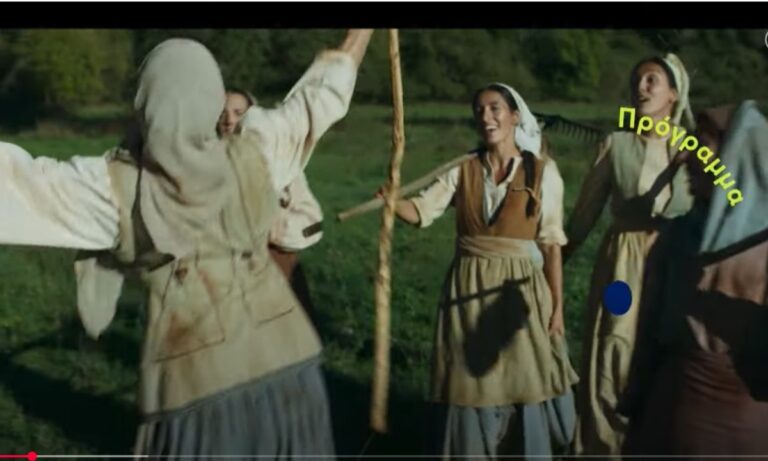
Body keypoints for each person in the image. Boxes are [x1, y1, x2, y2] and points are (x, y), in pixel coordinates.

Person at [0, 29, 372, 457]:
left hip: (198, 395)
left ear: (145, 102)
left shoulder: (113, 190)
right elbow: (318, 99)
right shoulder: (255, 153)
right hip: (293, 371)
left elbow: (17, 184)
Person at [382, 83, 578, 459]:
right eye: (479, 110)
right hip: (467, 290)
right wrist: (391, 202)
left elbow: (552, 244)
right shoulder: (462, 169)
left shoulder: (542, 172)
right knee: (470, 380)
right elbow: (422, 211)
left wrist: (557, 309)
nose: (486, 116)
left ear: (515, 116)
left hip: (520, 289)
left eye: (494, 108)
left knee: (523, 376)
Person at [564, 53, 696, 457]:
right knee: (615, 345)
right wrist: (550, 265)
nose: (640, 87)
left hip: (672, 264)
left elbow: (733, 198)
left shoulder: (694, 147)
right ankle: (605, 447)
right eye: (637, 79)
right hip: (622, 263)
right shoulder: (616, 143)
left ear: (673, 94)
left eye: (651, 80)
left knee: (665, 352)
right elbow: (583, 214)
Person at [623, 101, 768, 457]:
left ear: (735, 157)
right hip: (679, 419)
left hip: (721, 426)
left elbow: (648, 344)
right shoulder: (678, 237)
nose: (685, 157)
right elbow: (647, 341)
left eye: (700, 146)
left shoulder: (678, 239)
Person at [218, 88, 323, 324]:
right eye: (221, 113)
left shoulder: (282, 165)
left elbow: (313, 224)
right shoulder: (203, 163)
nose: (229, 120)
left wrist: (274, 227)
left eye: (238, 113)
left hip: (276, 267)